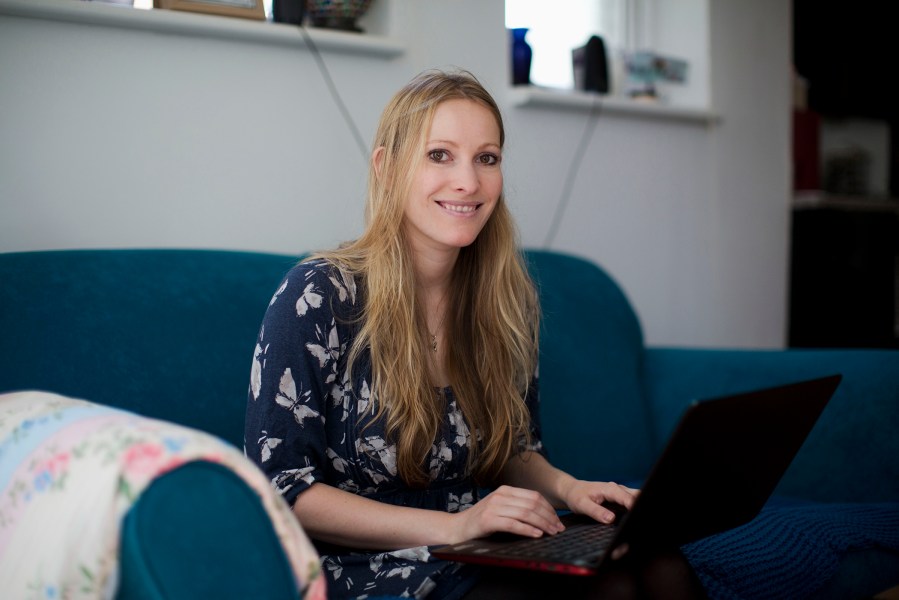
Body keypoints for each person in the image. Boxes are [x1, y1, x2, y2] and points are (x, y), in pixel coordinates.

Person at [245, 69, 705, 599]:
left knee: (659, 565)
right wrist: (456, 528)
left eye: (486, 158)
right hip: (362, 564)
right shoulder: (320, 293)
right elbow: (282, 489)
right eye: (440, 155)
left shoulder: (505, 300)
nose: (468, 181)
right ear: (387, 168)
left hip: (477, 546)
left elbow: (510, 448)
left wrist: (571, 489)